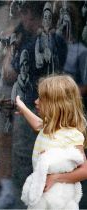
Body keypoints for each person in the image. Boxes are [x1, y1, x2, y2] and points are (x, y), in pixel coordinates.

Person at [15, 75, 87, 207]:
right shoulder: (49, 127)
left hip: (59, 198)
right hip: (43, 193)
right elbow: (38, 125)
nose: (36, 102)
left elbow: (84, 170)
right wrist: (23, 108)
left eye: (41, 99)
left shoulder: (71, 135)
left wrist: (56, 178)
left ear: (57, 105)